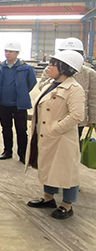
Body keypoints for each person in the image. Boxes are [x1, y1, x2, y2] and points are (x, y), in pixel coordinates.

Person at [26, 50, 86, 220]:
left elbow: (77, 116)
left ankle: (67, 205)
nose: (49, 67)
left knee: (66, 171)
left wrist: (55, 129)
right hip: (46, 136)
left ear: (64, 69)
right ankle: (48, 198)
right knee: (48, 167)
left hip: (61, 138)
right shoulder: (50, 84)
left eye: (53, 65)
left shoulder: (74, 89)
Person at [37, 38, 96, 140]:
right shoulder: (50, 70)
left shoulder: (89, 73)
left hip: (76, 120)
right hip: (52, 116)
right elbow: (42, 88)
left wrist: (93, 119)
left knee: (71, 144)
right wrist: (54, 78)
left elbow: (93, 98)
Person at [0, 41, 37, 163]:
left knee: (21, 130)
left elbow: (32, 82)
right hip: (3, 103)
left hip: (19, 105)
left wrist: (22, 91)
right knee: (6, 128)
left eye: (11, 51)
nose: (8, 53)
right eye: (6, 51)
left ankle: (23, 154)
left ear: (17, 53)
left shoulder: (26, 68)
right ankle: (7, 151)